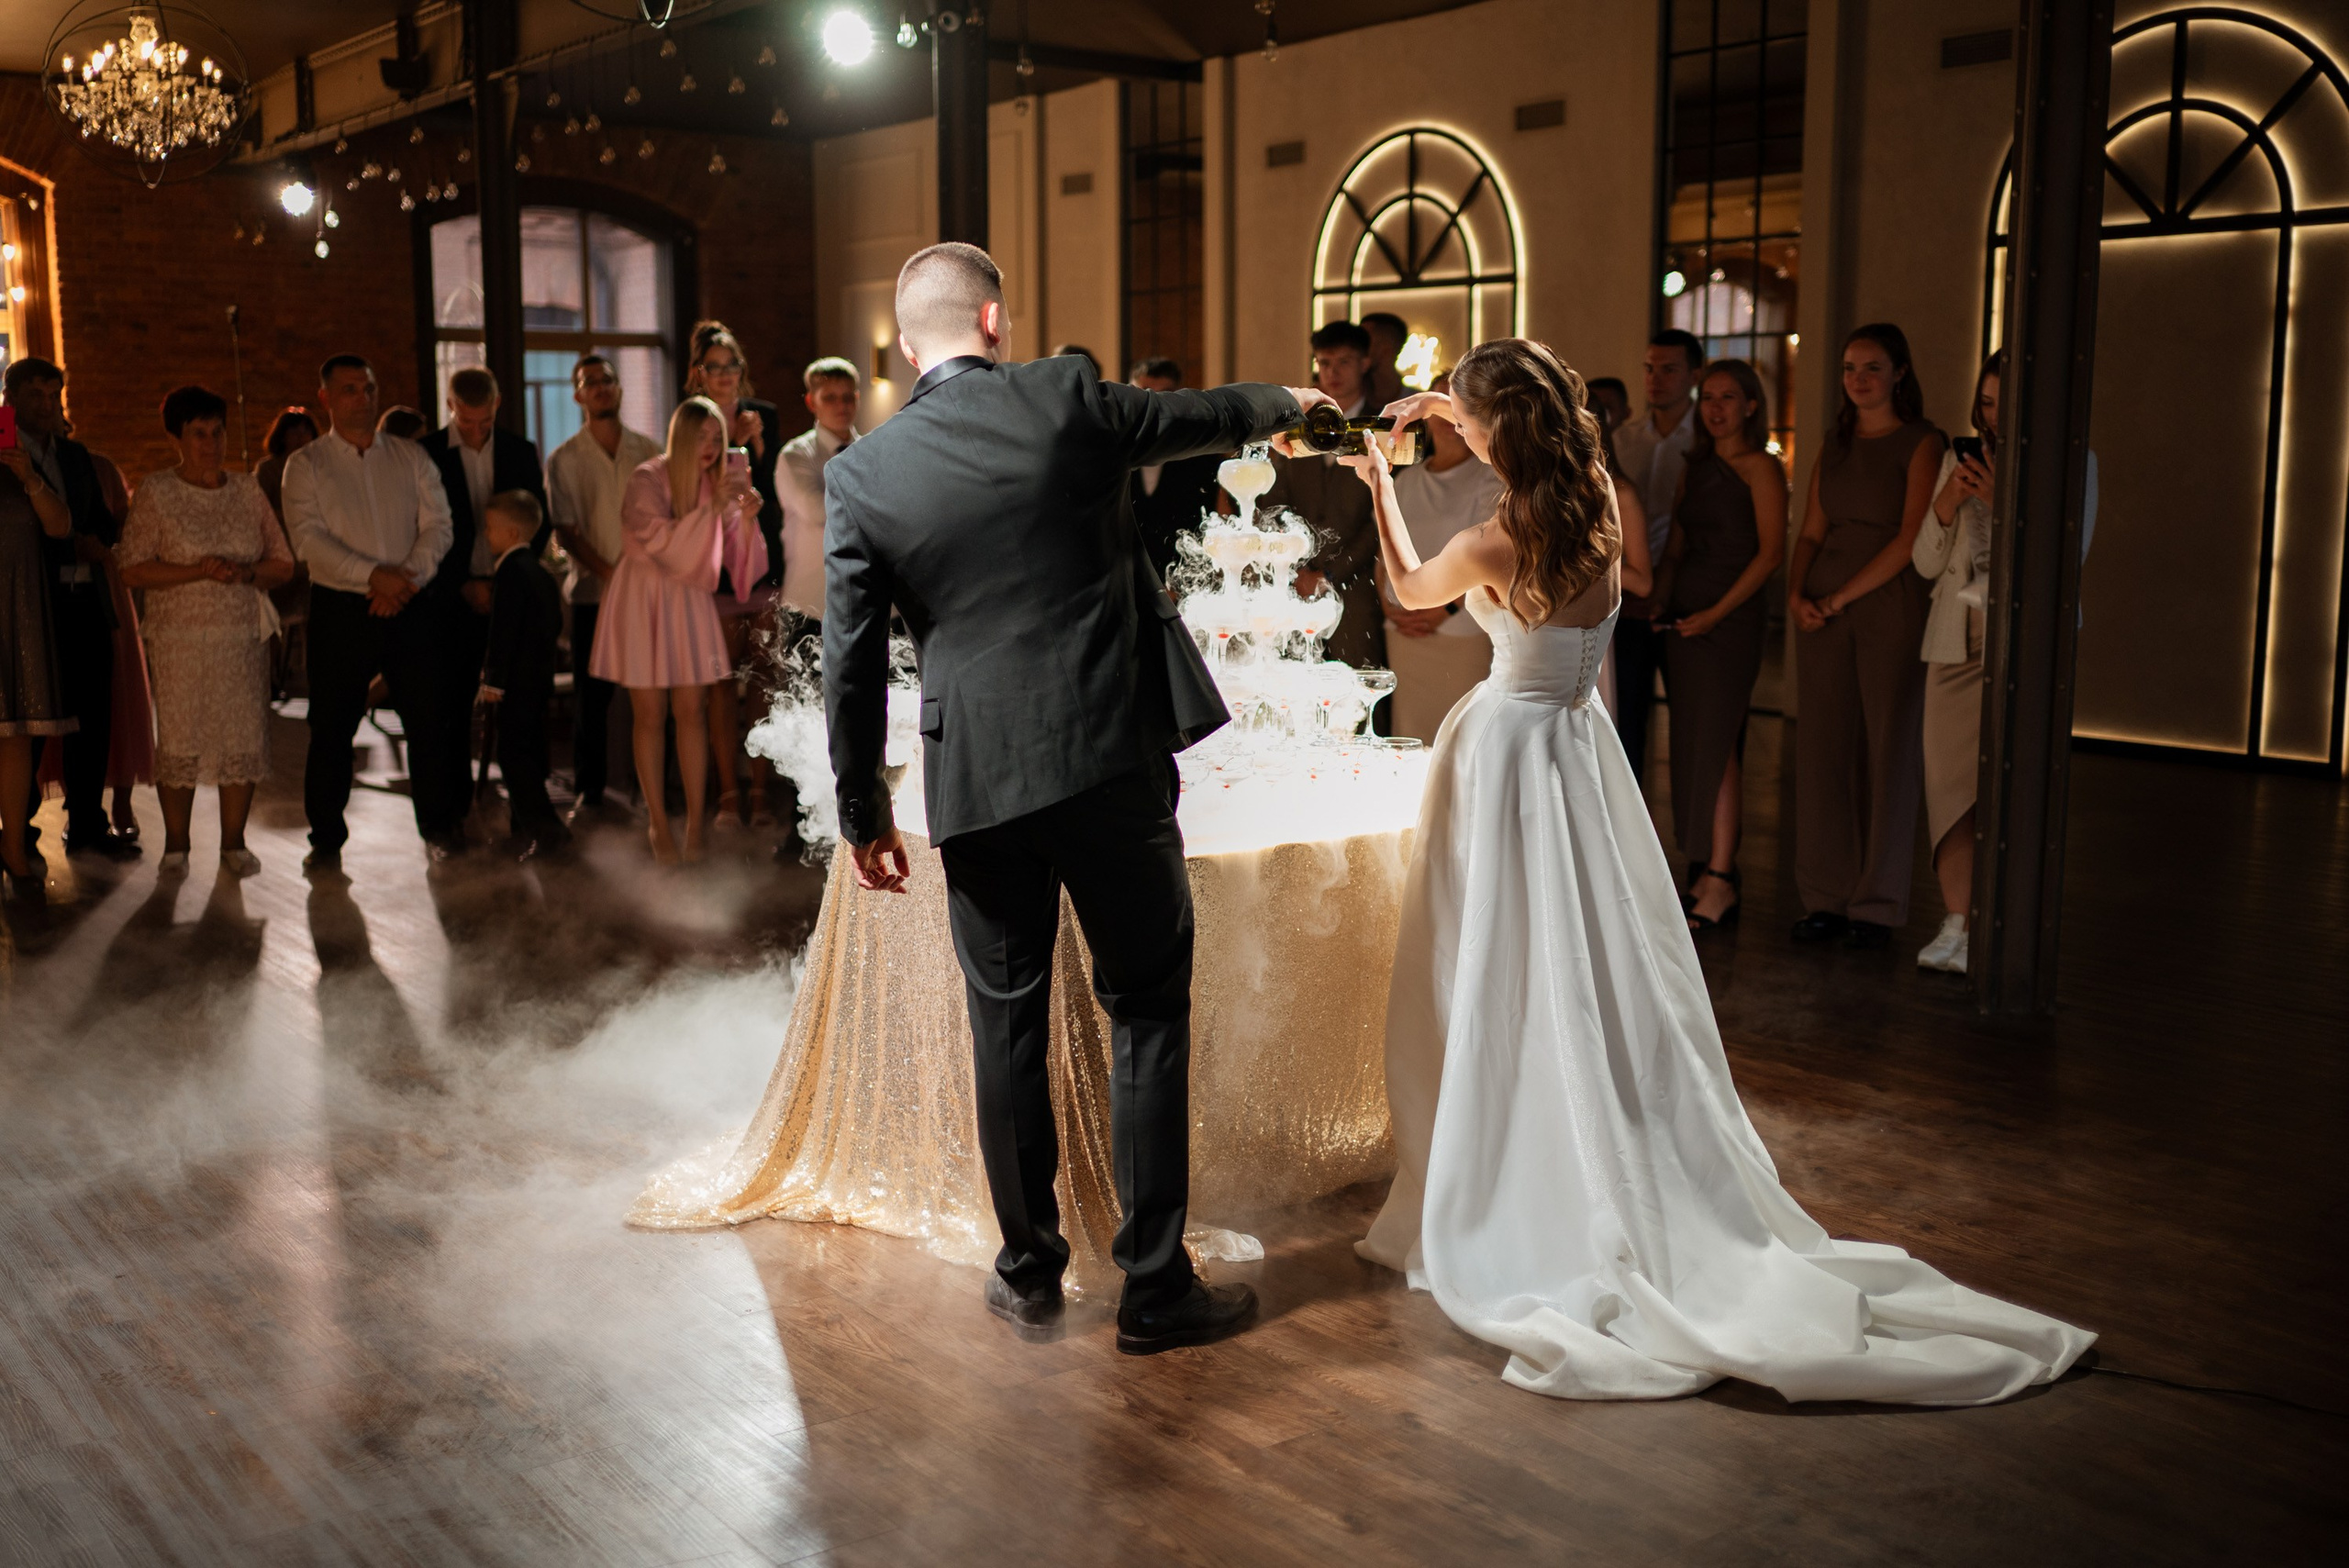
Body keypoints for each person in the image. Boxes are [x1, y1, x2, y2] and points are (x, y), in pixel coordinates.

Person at [1347, 339, 2093, 1406]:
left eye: (1468, 419)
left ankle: (1510, 1165)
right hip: (1578, 748)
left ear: (1497, 431)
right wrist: (1453, 409)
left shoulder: (1491, 536)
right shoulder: (1596, 505)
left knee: (1493, 962)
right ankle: (1585, 1121)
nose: (1454, 429)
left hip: (1509, 753)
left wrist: (1380, 477)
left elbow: (1412, 592)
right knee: (1589, 963)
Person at [823, 241, 1322, 1354]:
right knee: (1144, 1005)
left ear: (909, 347)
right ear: (995, 320)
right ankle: (1154, 1285)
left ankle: (1031, 1273)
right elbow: (1192, 416)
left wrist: (862, 814)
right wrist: (1289, 399)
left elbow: (849, 665)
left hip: (979, 781)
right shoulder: (1061, 396)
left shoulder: (862, 475)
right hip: (1107, 759)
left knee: (1004, 1025)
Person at [1909, 350, 2098, 975]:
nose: (1993, 416)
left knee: (2012, 793)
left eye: (2004, 403)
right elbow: (1926, 564)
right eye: (1986, 402)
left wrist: (2006, 498)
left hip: (2023, 649)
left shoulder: (2076, 465)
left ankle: (2003, 927)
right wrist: (1946, 502)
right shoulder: (1955, 460)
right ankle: (1956, 921)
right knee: (1947, 791)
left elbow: (2062, 563)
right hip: (1953, 644)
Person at [1787, 324, 1943, 949]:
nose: (1858, 379)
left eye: (1872, 367)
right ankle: (1825, 897)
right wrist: (1798, 595)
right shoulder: (1836, 441)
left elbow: (1911, 539)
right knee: (1823, 750)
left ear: (1900, 372)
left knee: (1887, 751)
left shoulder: (1922, 442)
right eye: (1850, 367)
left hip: (1888, 603)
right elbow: (1809, 533)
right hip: (1821, 610)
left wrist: (1840, 596)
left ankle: (1876, 905)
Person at [279, 353, 457, 873]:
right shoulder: (306, 464)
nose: (363, 397)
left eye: (370, 387)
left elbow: (439, 525)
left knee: (428, 719)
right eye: (351, 389)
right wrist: (371, 576)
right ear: (326, 398)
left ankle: (439, 829)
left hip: (409, 599)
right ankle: (327, 838)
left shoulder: (410, 456)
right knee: (333, 724)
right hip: (341, 606)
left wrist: (405, 579)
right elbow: (308, 539)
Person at [116, 385, 295, 877]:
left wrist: (244, 573)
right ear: (177, 436)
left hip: (239, 638)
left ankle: (234, 844)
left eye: (218, 432)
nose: (211, 443)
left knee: (242, 737)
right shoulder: (158, 491)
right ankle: (177, 846)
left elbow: (283, 561)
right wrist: (197, 569)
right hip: (179, 641)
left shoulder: (246, 490)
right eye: (199, 433)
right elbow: (131, 568)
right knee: (181, 739)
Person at [591, 395, 756, 865]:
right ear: (680, 436)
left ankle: (696, 829)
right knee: (649, 714)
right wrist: (712, 513)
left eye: (716, 438)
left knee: (693, 711)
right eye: (700, 436)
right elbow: (659, 542)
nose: (709, 446)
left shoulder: (715, 482)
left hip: (688, 599)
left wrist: (744, 520)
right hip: (645, 594)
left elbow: (733, 563)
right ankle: (659, 824)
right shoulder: (648, 476)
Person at [1664, 361, 1786, 930]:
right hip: (1685, 621)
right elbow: (1677, 546)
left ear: (1751, 406)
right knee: (1690, 743)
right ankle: (1702, 866)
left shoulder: (1761, 468)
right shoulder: (1697, 466)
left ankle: (1721, 877)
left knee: (1719, 746)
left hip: (1730, 620)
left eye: (1728, 398)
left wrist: (1715, 613)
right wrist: (1660, 605)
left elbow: (1770, 554)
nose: (1716, 408)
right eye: (1707, 397)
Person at [5, 357, 137, 859]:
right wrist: (63, 543)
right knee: (31, 723)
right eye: (36, 395)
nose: (47, 406)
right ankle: (20, 831)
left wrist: (95, 541)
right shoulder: (4, 451)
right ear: (10, 398)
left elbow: (105, 521)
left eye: (53, 395)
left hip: (84, 599)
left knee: (92, 717)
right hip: (30, 601)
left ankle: (87, 822)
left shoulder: (78, 457)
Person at [421, 367, 547, 844]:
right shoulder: (428, 453)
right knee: (449, 709)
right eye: (466, 421)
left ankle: (526, 815)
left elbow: (539, 518)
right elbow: (425, 531)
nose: (476, 431)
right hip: (450, 598)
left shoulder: (519, 450)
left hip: (506, 594)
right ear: (451, 406)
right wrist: (462, 586)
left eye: (484, 422)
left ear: (497, 406)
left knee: (518, 712)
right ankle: (452, 815)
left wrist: (509, 581)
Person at [546, 353, 662, 818]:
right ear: (577, 395)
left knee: (650, 695)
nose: (600, 388)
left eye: (607, 380)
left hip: (648, 597)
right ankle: (590, 793)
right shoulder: (564, 458)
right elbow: (566, 530)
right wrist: (613, 574)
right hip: (594, 595)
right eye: (589, 382)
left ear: (618, 389)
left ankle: (651, 791)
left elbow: (662, 519)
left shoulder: (650, 449)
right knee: (592, 698)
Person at [682, 323, 782, 831]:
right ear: (699, 373)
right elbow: (683, 490)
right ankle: (726, 795)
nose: (724, 376)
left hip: (760, 562)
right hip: (711, 565)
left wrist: (755, 449)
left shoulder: (763, 415)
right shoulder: (690, 420)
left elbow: (771, 491)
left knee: (762, 677)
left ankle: (761, 794)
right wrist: (729, 447)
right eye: (714, 367)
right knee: (721, 682)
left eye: (732, 366)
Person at [1379, 372, 1504, 741]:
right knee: (1410, 731)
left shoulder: (1490, 477)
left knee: (1460, 736)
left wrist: (1442, 609)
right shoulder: (1405, 479)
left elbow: (1492, 557)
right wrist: (1391, 605)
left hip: (1460, 626)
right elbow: (1383, 548)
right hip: (1403, 623)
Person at [1607, 328, 1704, 784]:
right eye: (1649, 368)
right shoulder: (1621, 440)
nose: (1656, 379)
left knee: (1696, 725)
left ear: (1693, 374)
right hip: (1627, 593)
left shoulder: (1707, 438)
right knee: (1626, 718)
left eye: (1669, 369)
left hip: (1690, 594)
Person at [1266, 321, 1385, 669]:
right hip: (1294, 583)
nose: (1332, 372)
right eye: (1324, 363)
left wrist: (1329, 574)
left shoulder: (1385, 424)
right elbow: (1277, 501)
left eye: (1344, 362)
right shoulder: (1298, 423)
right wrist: (1295, 568)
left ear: (1364, 363)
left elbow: (1381, 519)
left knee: (1357, 690)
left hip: (1356, 588)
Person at [0, 412, 75, 897]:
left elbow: (60, 526)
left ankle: (12, 848)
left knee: (17, 734)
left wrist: (28, 477)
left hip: (18, 603)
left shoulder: (19, 463)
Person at [477, 491, 568, 860]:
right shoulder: (540, 573)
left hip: (515, 683)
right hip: (537, 679)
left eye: (490, 528)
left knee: (513, 757)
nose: (486, 535)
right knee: (528, 752)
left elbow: (504, 631)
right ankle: (525, 827)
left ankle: (544, 830)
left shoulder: (512, 573)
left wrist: (493, 680)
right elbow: (554, 624)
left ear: (511, 533)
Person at [1125, 357, 1227, 582]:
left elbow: (1221, 523)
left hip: (1189, 583)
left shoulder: (1203, 454)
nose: (1155, 405)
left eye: (1165, 395)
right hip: (1126, 585)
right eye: (1145, 394)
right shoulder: (1112, 451)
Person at [776, 356, 863, 619]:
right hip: (810, 601)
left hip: (863, 597)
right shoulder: (795, 456)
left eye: (848, 397)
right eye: (830, 398)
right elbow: (817, 510)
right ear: (811, 402)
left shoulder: (871, 450)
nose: (842, 405)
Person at [1361, 311, 1408, 414]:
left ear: (1387, 346)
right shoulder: (1347, 396)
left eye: (1364, 340)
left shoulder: (1416, 401)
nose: (1358, 347)